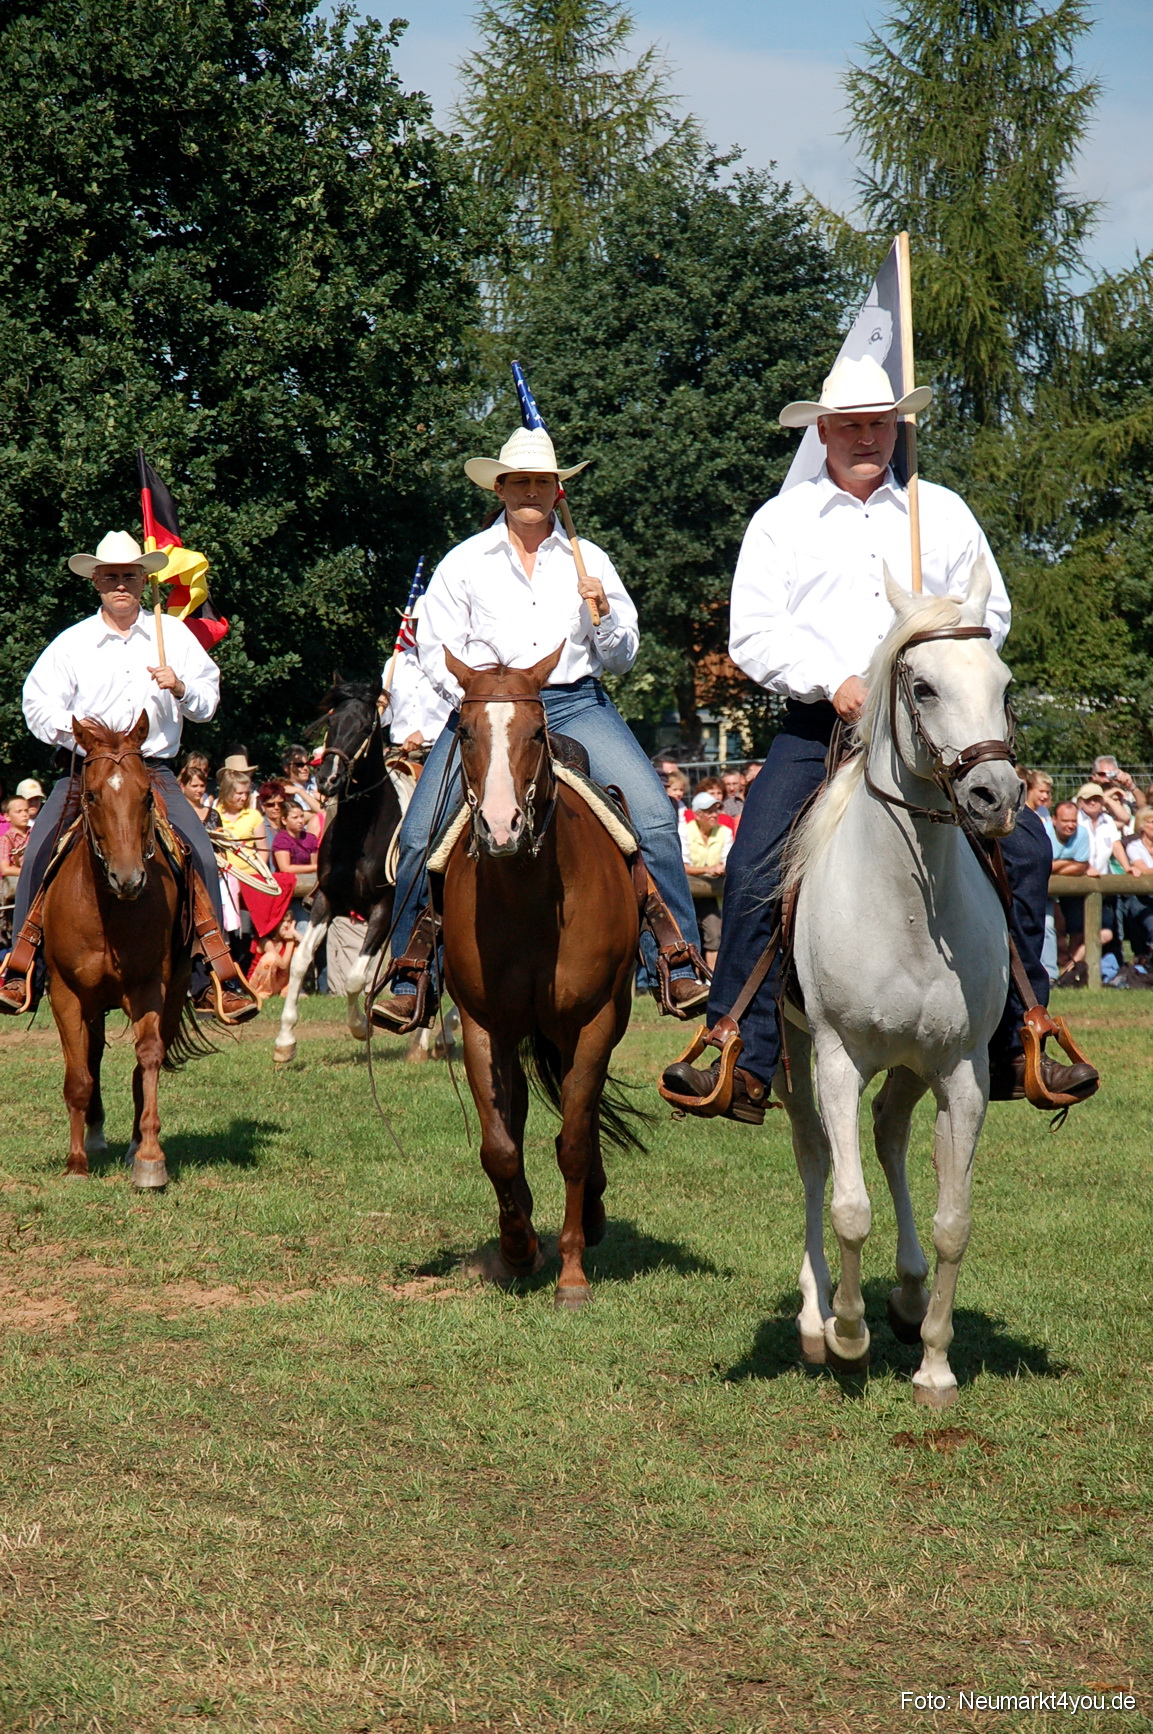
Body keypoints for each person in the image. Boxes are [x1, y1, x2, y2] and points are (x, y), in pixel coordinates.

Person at [661, 353, 1096, 1118]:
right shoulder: (780, 520)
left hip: (933, 729)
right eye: (851, 425)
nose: (866, 437)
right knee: (758, 850)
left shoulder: (944, 512)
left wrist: (939, 643)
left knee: (1021, 844)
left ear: (897, 430)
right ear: (823, 431)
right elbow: (752, 635)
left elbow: (989, 616)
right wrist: (838, 682)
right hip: (823, 726)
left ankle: (1015, 1038)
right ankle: (739, 1049)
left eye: (879, 424)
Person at [369, 423, 709, 1033]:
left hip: (574, 701)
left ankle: (675, 959)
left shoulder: (590, 559)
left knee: (655, 816)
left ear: (558, 491)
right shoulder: (464, 562)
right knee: (420, 833)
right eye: (519, 481)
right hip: (485, 711)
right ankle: (411, 970)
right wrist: (485, 705)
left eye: (542, 481)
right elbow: (431, 648)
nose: (530, 490)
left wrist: (602, 614)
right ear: (499, 488)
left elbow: (622, 655)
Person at [0, 531, 258, 1021]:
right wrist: (85, 739)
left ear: (144, 581)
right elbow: (36, 704)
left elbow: (208, 702)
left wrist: (179, 685)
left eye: (130, 576)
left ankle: (211, 974)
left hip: (153, 771)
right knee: (38, 849)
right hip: (85, 770)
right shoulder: (71, 642)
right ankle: (21, 966)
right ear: (96, 581)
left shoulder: (173, 635)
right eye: (111, 576)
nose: (121, 584)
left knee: (199, 850)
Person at [385, 595, 454, 756]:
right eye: (417, 624)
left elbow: (463, 713)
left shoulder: (453, 664)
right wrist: (374, 707)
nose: (421, 629)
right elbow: (385, 717)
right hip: (398, 752)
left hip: (439, 751)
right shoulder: (395, 663)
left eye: (426, 624)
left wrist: (426, 734)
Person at [682, 789, 732, 969]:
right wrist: (710, 869)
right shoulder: (685, 831)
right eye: (709, 811)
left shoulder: (725, 832)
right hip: (686, 893)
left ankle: (712, 981)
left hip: (711, 893)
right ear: (697, 815)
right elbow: (682, 866)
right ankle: (692, 979)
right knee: (688, 936)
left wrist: (721, 868)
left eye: (716, 810)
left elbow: (727, 861)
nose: (714, 815)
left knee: (714, 934)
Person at [282, 744, 323, 817]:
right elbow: (295, 818)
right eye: (300, 765)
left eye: (307, 764)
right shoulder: (286, 791)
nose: (305, 768)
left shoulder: (317, 782)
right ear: (286, 768)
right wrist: (300, 791)